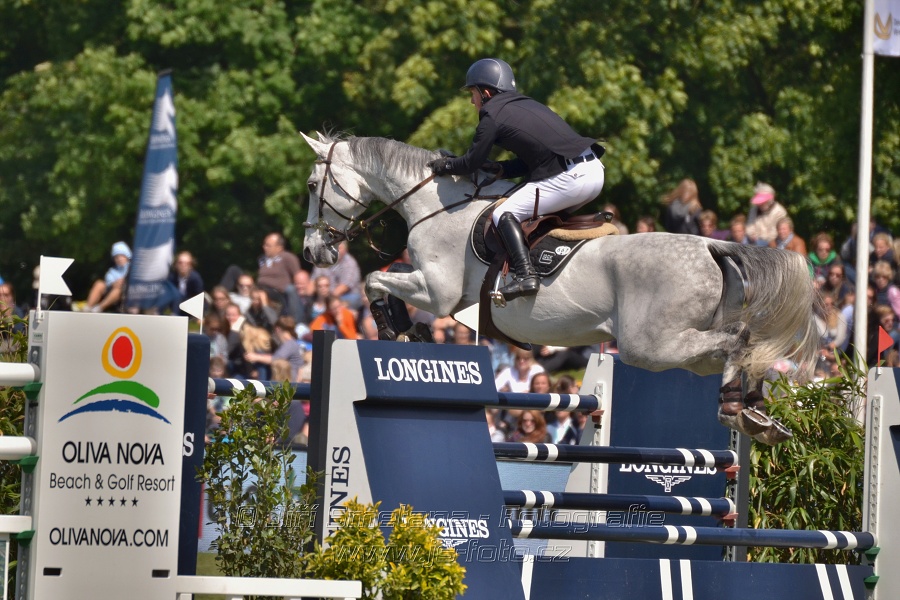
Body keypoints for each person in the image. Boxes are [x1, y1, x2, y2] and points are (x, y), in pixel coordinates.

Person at [427, 58, 605, 301]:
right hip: (594, 171)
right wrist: (501, 169)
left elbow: (470, 163)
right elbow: (535, 160)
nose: (472, 101)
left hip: (570, 178)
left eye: (473, 93)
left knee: (502, 214)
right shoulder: (527, 105)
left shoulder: (491, 114)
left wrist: (445, 165)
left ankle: (525, 275)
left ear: (486, 92)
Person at [244, 315, 305, 382]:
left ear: (277, 329)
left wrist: (256, 357)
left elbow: (276, 359)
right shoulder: (291, 343)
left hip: (290, 378)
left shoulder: (289, 344)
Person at [310, 241, 363, 311]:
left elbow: (343, 287)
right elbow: (313, 282)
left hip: (346, 296)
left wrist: (327, 300)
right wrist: (308, 296)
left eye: (339, 248)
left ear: (345, 250)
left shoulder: (350, 263)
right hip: (324, 295)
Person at [82, 241, 131, 312]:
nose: (119, 259)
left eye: (121, 256)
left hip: (128, 293)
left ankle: (99, 308)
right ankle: (87, 308)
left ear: (127, 256)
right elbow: (109, 282)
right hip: (112, 291)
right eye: (116, 257)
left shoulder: (134, 268)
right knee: (99, 284)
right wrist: (114, 283)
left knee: (119, 289)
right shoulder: (112, 271)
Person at [257, 232, 301, 309]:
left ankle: (297, 319)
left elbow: (297, 275)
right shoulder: (262, 259)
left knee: (291, 290)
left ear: (279, 247)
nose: (264, 247)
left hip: (280, 289)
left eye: (268, 245)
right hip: (262, 288)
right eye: (264, 245)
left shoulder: (288, 257)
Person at [745, 182, 787, 246]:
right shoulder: (754, 210)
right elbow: (749, 226)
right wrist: (753, 235)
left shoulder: (779, 212)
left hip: (772, 242)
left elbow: (774, 233)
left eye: (763, 202)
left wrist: (761, 238)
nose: (760, 205)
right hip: (754, 240)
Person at [168, 251, 205, 316]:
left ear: (191, 266)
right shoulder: (171, 278)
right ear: (176, 265)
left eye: (187, 263)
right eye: (180, 263)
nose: (183, 265)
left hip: (190, 307)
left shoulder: (195, 279)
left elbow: (199, 297)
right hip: (174, 305)